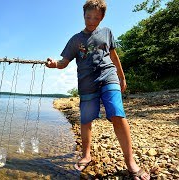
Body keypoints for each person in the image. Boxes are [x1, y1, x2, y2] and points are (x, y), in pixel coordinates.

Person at [45, 0, 150, 179]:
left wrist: (121, 77)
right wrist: (55, 64)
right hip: (87, 83)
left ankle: (130, 161)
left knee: (117, 114)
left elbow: (114, 57)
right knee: (86, 120)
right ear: (83, 15)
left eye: (96, 17)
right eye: (88, 17)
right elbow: (64, 62)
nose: (92, 20)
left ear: (102, 17)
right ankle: (86, 155)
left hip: (109, 77)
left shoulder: (107, 32)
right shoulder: (75, 39)